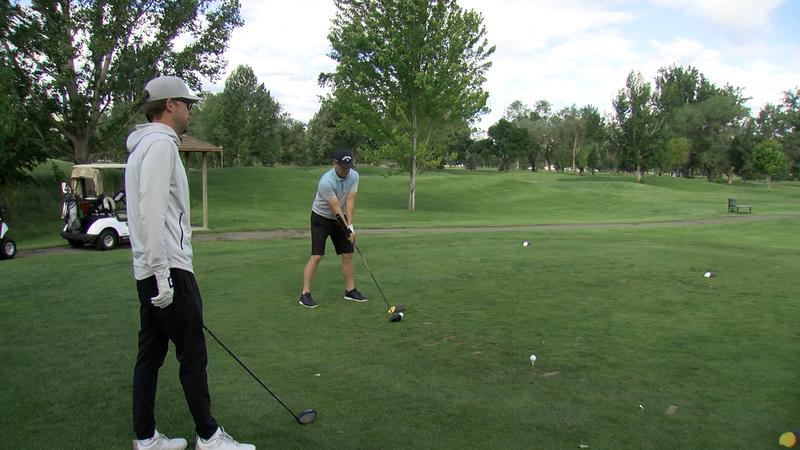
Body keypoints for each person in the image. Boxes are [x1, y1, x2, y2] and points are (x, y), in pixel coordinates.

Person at [126, 75, 255, 450]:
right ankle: (209, 436)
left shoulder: (142, 147)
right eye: (187, 104)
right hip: (168, 269)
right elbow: (150, 212)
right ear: (170, 105)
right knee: (192, 355)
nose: (190, 111)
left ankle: (146, 438)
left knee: (150, 355)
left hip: (150, 270)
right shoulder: (161, 145)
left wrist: (154, 271)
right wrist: (163, 274)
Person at [299, 149, 368, 308]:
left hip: (340, 218)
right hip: (321, 219)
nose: (346, 171)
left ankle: (350, 291)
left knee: (347, 254)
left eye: (349, 167)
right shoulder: (326, 182)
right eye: (343, 167)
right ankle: (305, 294)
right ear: (334, 163)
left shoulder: (354, 176)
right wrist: (347, 231)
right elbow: (335, 208)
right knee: (317, 256)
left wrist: (350, 227)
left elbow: (349, 201)